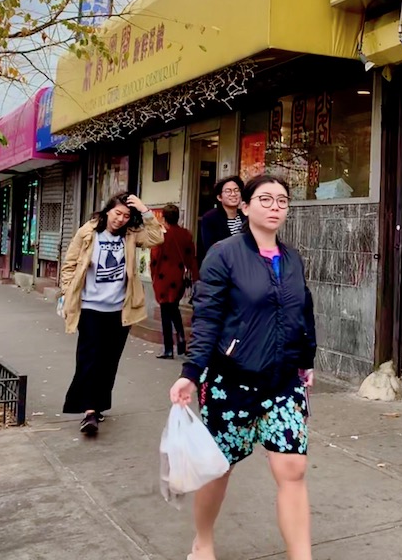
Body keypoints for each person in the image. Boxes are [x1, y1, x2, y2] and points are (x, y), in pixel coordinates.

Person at [170, 174, 317, 560]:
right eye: (265, 199)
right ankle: (203, 541)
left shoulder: (292, 257)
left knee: (293, 469)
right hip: (231, 382)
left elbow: (304, 309)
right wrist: (191, 372)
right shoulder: (223, 254)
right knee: (219, 469)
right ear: (246, 206)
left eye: (282, 201)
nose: (274, 207)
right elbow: (207, 318)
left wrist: (306, 359)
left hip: (283, 381)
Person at [60, 193, 164, 437]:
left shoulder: (131, 235)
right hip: (90, 308)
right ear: (107, 211)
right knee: (89, 359)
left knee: (108, 362)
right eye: (117, 213)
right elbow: (70, 265)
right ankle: (89, 412)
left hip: (119, 311)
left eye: (126, 216)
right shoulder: (87, 233)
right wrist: (67, 293)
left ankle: (97, 406)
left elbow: (157, 237)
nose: (120, 219)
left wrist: (144, 209)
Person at [150, 204, 198, 360]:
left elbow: (155, 257)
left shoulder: (161, 234)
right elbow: (191, 256)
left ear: (163, 217)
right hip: (178, 277)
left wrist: (153, 276)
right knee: (174, 308)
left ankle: (169, 348)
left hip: (163, 276)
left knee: (165, 311)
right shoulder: (186, 234)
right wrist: (195, 277)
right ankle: (182, 340)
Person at [197, 176, 245, 265]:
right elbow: (210, 248)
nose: (233, 194)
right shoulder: (210, 218)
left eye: (236, 190)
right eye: (228, 191)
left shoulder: (246, 217)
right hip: (221, 267)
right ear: (219, 197)